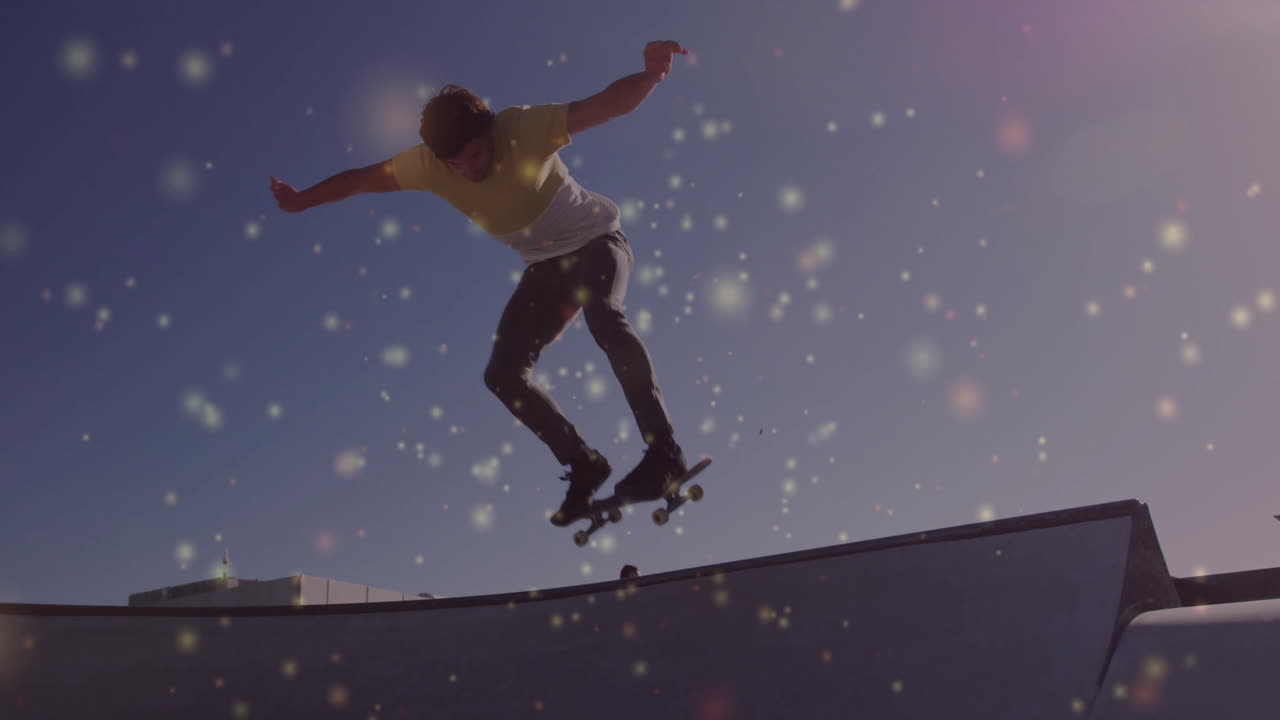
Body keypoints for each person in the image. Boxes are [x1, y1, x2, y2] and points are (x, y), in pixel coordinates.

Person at [270, 41, 691, 526]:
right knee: (502, 375)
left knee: (605, 317)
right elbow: (361, 179)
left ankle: (665, 455)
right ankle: (583, 463)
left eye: (474, 154)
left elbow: (602, 105)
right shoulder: (428, 165)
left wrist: (651, 76)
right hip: (545, 269)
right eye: (456, 165)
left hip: (599, 240)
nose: (469, 170)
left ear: (488, 129)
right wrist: (303, 201)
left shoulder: (521, 128)